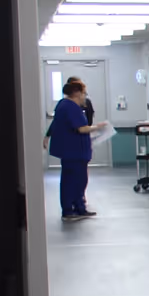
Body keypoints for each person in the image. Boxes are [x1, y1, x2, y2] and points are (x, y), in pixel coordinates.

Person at [46, 78, 102, 221]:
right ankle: (69, 210)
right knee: (73, 181)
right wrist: (99, 127)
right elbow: (81, 128)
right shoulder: (70, 107)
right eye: (84, 93)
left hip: (74, 151)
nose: (85, 96)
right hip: (74, 151)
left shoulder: (64, 105)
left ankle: (78, 208)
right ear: (77, 93)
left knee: (76, 180)